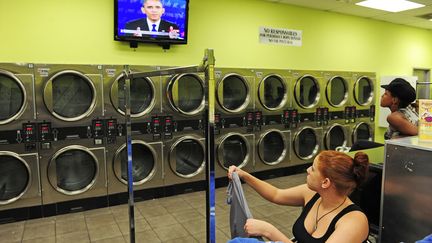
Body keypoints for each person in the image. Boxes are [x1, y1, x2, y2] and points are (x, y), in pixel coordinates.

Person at [227, 150, 370, 243]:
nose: (307, 170)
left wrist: (269, 231)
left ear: (325, 182)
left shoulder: (354, 222)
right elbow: (276, 194)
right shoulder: (314, 194)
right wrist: (244, 175)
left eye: (313, 169)